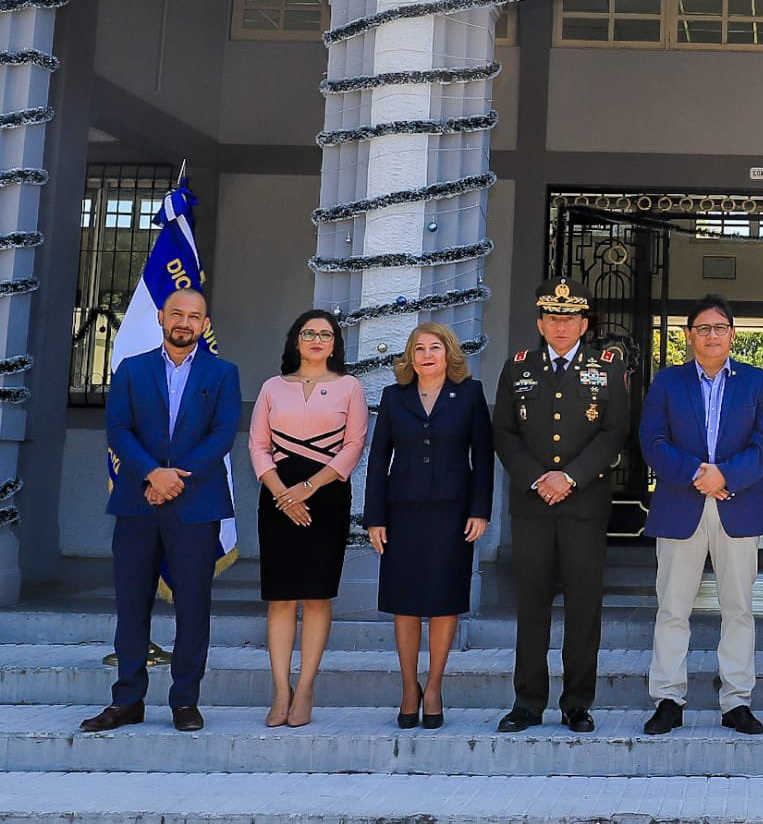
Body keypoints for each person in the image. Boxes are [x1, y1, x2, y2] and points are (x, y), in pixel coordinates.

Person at [81, 288, 241, 734]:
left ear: (204, 324)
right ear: (161, 317)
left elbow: (222, 434)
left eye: (195, 316)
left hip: (196, 506)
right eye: (177, 314)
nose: (185, 323)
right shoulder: (132, 370)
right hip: (137, 502)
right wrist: (153, 474)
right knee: (132, 606)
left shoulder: (223, 373)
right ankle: (127, 700)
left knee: (193, 606)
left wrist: (174, 478)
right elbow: (118, 429)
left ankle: (184, 702)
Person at [491, 277, 629, 734]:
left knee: (583, 608)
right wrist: (538, 477)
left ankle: (576, 703)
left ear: (585, 323)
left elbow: (614, 432)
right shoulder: (518, 368)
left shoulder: (607, 368)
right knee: (531, 606)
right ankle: (527, 702)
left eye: (570, 318)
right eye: (553, 318)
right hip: (533, 505)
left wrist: (568, 477)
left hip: (584, 505)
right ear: (540, 322)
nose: (561, 325)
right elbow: (504, 433)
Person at [639, 293, 763, 736]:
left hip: (738, 505)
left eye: (720, 328)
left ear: (733, 334)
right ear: (689, 336)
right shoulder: (667, 382)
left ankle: (736, 700)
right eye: (703, 328)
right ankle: (667, 698)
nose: (712, 335)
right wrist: (698, 474)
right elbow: (653, 440)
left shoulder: (757, 382)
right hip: (682, 504)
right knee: (672, 608)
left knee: (738, 609)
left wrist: (725, 477)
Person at [363, 322, 493, 730]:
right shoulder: (393, 397)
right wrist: (375, 517)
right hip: (401, 513)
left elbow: (484, 458)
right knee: (404, 602)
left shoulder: (469, 395)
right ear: (410, 356)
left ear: (449, 353)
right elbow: (378, 459)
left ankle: (434, 686)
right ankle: (408, 687)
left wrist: (480, 510)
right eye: (419, 348)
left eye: (435, 347)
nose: (427, 355)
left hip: (453, 513)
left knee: (443, 601)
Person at [248, 310, 367, 728]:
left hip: (326, 494)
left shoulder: (350, 387)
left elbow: (353, 445)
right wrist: (283, 492)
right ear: (295, 341)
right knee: (280, 597)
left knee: (316, 596)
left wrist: (308, 489)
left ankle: (305, 689)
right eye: (308, 333)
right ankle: (280, 690)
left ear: (335, 343)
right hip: (277, 496)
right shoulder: (271, 388)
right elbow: (258, 445)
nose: (317, 339)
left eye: (325, 334)